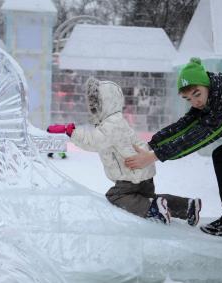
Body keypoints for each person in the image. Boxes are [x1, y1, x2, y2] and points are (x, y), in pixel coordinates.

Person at [124, 57, 222, 236]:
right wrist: (150, 145)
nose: (195, 102)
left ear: (207, 85)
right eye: (188, 98)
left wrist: (154, 156)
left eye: (197, 94)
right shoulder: (209, 102)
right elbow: (184, 125)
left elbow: (199, 137)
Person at [48, 77, 202, 226]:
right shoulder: (117, 121)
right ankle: (187, 207)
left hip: (130, 175)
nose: (92, 108)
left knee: (116, 196)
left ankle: (153, 209)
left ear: (104, 104)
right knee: (146, 198)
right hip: (142, 172)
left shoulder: (111, 124)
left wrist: (72, 132)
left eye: (96, 104)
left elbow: (94, 142)